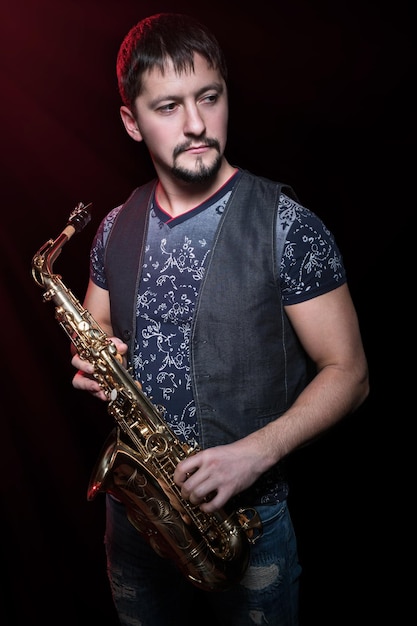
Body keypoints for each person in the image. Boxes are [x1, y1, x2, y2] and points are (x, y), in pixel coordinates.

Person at [71, 12, 369, 626]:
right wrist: (93, 356)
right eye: (169, 107)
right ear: (131, 122)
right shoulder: (112, 226)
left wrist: (255, 454)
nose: (198, 125)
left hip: (248, 529)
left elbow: (351, 373)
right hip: (135, 523)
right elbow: (97, 325)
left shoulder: (289, 226)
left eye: (209, 97)